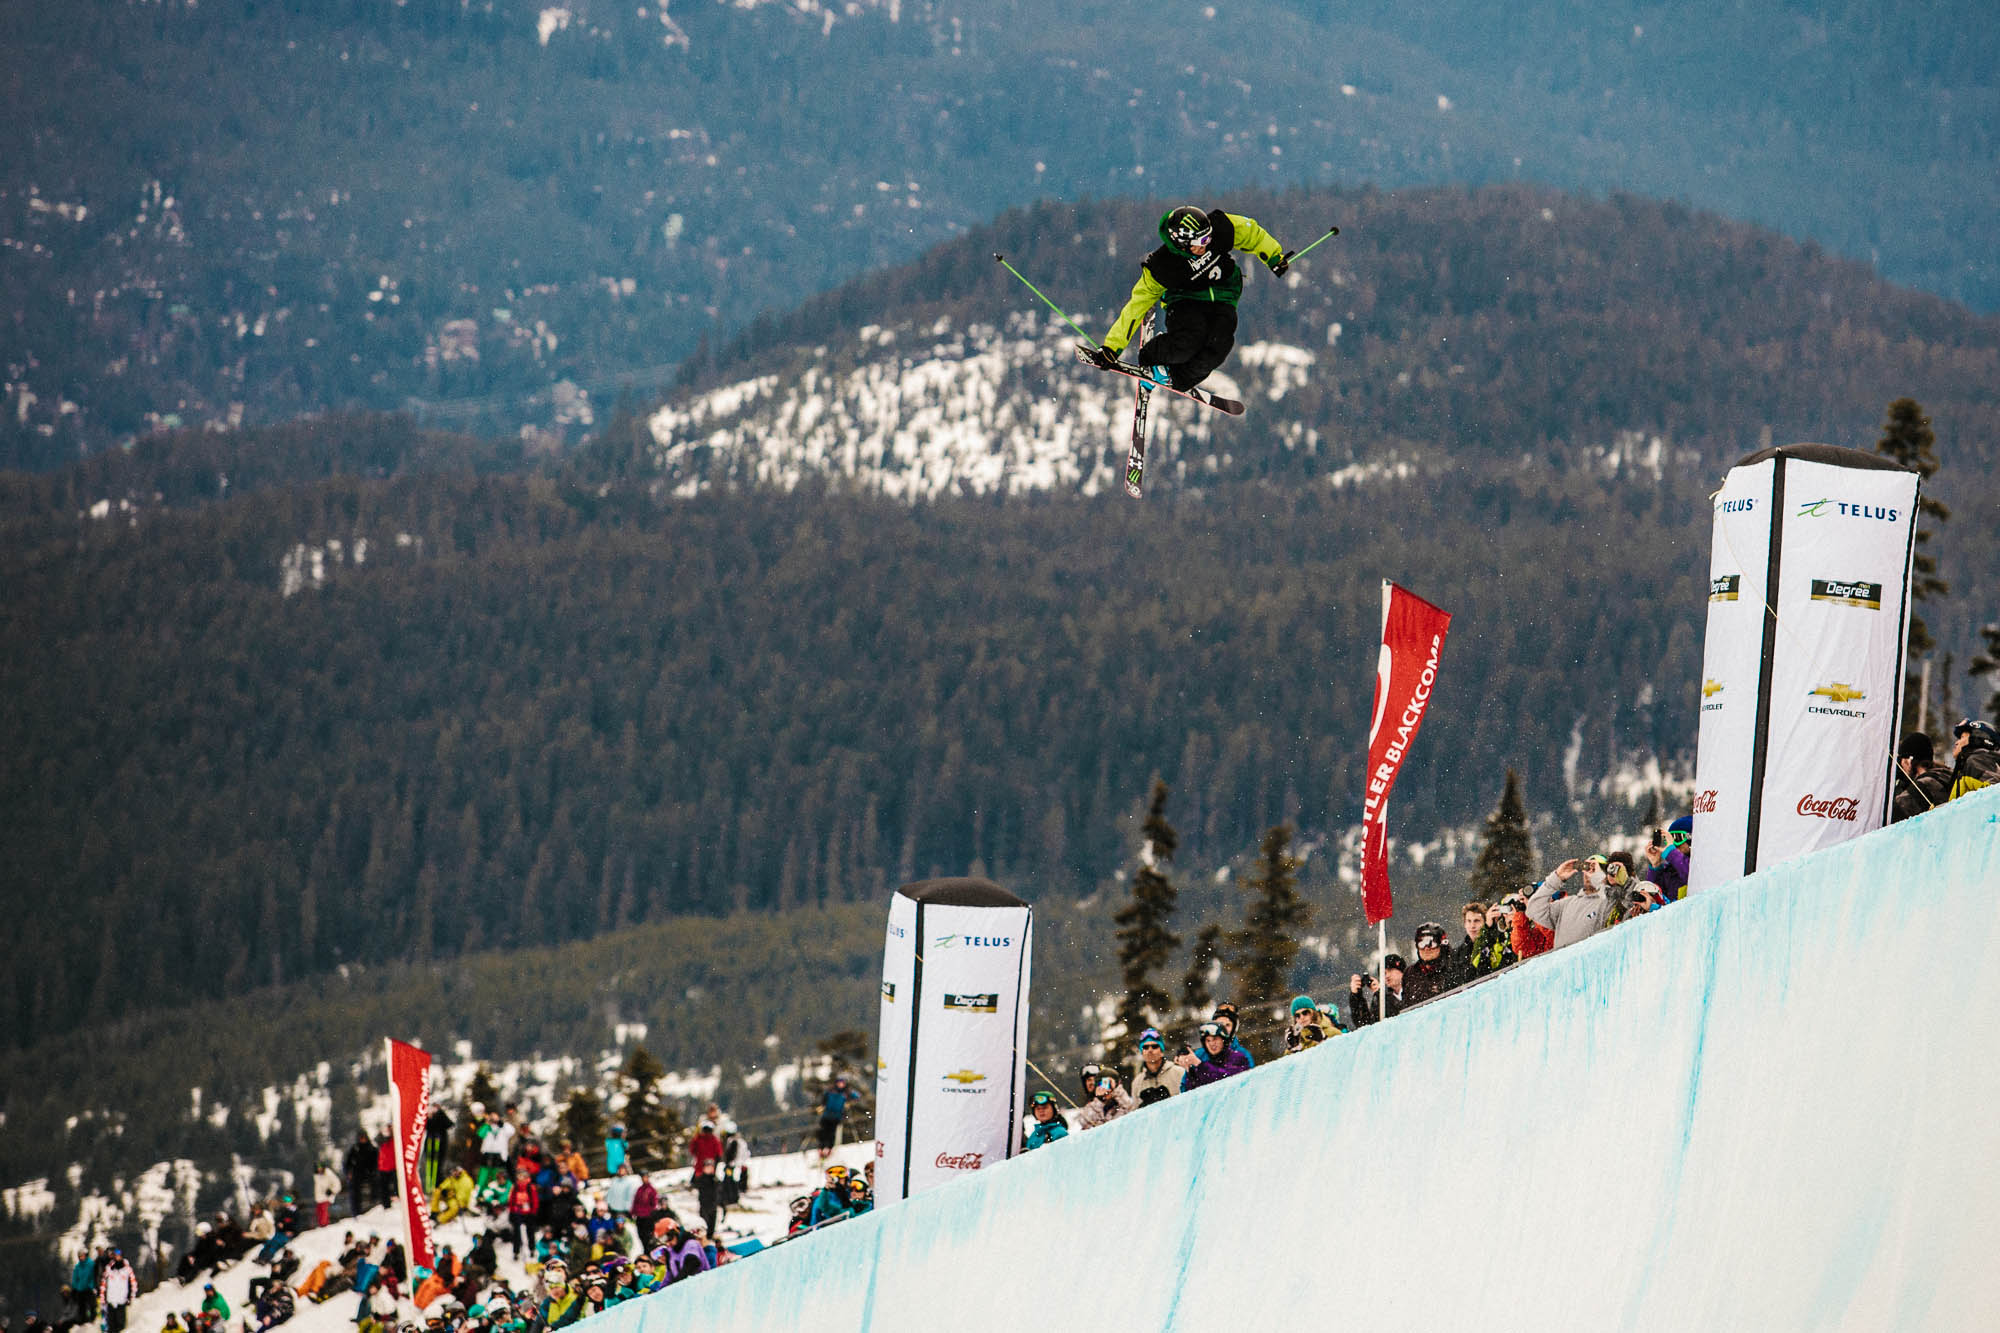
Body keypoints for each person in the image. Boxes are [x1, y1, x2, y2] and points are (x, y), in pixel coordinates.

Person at [1082, 205, 1291, 392]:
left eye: (1208, 238)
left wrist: (1273, 256)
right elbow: (1136, 307)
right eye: (1201, 242)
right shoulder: (1163, 267)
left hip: (1223, 294)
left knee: (1219, 347)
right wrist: (1112, 348)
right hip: (1185, 300)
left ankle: (1175, 378)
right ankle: (1152, 357)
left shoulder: (1220, 227)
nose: (1206, 244)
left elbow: (1251, 232)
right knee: (1189, 342)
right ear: (1182, 244)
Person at [1527, 857, 1615, 949]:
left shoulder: (1608, 903)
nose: (1590, 873)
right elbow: (1533, 910)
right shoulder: (1566, 904)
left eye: (1596, 870)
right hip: (1562, 962)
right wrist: (1556, 878)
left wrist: (1600, 881)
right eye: (1587, 868)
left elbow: (1614, 902)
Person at [1893, 731, 1951, 820]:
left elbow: (1892, 814)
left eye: (1902, 760)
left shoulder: (1927, 784)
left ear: (1908, 761)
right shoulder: (1944, 776)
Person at [1176, 1021, 1251, 1089]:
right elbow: (1195, 1094)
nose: (1211, 1044)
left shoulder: (1238, 1057)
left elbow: (1226, 1079)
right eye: (1208, 1040)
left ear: (1223, 1040)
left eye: (1215, 1039)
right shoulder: (1206, 1063)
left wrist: (1199, 1065)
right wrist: (1190, 1071)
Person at [1403, 922, 1456, 1003]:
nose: (1426, 948)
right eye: (1422, 943)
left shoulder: (1454, 967)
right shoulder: (1410, 973)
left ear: (1441, 945)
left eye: (1432, 943)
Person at [1128, 1029, 1183, 1106]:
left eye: (1154, 1046)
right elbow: (1136, 1112)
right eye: (1145, 1047)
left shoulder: (1179, 1073)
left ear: (1161, 1051)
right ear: (1142, 1052)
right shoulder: (1137, 1083)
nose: (1150, 1050)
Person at [1948, 718, 2000, 799]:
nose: (1956, 742)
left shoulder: (1977, 760)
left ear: (1976, 740)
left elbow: (1994, 795)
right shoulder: (1970, 763)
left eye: (1962, 737)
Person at [1349, 955, 1406, 1028]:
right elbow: (1366, 1025)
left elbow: (1402, 1013)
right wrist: (1356, 996)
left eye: (1390, 970)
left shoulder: (1413, 989)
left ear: (1402, 971)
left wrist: (1382, 996)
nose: (1387, 976)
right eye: (1384, 973)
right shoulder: (1380, 1000)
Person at [1643, 817, 1692, 901]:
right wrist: (1656, 866)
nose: (1674, 844)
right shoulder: (1670, 870)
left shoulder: (1697, 864)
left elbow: (1691, 875)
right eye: (1670, 839)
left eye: (1678, 838)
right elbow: (1655, 897)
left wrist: (1671, 853)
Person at [1464, 900, 1517, 977]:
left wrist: (1516, 923)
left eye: (1477, 921)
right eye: (1469, 921)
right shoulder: (1458, 954)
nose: (1472, 926)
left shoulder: (1497, 940)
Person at [96, 1249, 136, 1333]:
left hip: (121, 1301)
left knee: (121, 1327)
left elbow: (133, 1285)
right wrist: (103, 1299)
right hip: (111, 1301)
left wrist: (130, 1297)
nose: (117, 1257)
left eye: (119, 1255)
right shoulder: (108, 1270)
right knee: (111, 1326)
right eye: (115, 1255)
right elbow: (103, 1285)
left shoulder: (127, 1270)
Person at [815, 1077, 855, 1158]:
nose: (841, 1085)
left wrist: (849, 1102)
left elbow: (856, 1096)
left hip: (836, 1116)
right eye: (839, 1083)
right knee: (823, 1132)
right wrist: (822, 1106)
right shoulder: (830, 1091)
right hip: (826, 1115)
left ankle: (829, 1148)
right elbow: (824, 1099)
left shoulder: (846, 1093)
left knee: (831, 1133)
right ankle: (821, 1148)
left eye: (842, 1083)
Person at [1208, 1002, 1257, 1069]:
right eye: (1220, 1024)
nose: (1223, 1029)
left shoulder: (1243, 1055)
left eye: (1227, 1025)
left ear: (1234, 1028)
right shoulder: (1200, 1055)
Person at [344, 1132, 377, 1219]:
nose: (362, 1140)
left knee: (375, 1184)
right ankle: (356, 1212)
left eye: (364, 1138)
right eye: (361, 1138)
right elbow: (348, 1162)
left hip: (369, 1172)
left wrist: (373, 1172)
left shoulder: (371, 1148)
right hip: (357, 1173)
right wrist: (348, 1172)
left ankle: (375, 1204)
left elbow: (376, 1162)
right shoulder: (355, 1148)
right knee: (354, 1190)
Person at [314, 1160, 343, 1229]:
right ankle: (321, 1226)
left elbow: (337, 1184)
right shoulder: (317, 1176)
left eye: (320, 1167)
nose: (319, 1169)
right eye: (317, 1167)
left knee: (324, 1212)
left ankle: (325, 1226)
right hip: (319, 1198)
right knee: (319, 1212)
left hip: (327, 1197)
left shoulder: (329, 1174)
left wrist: (332, 1190)